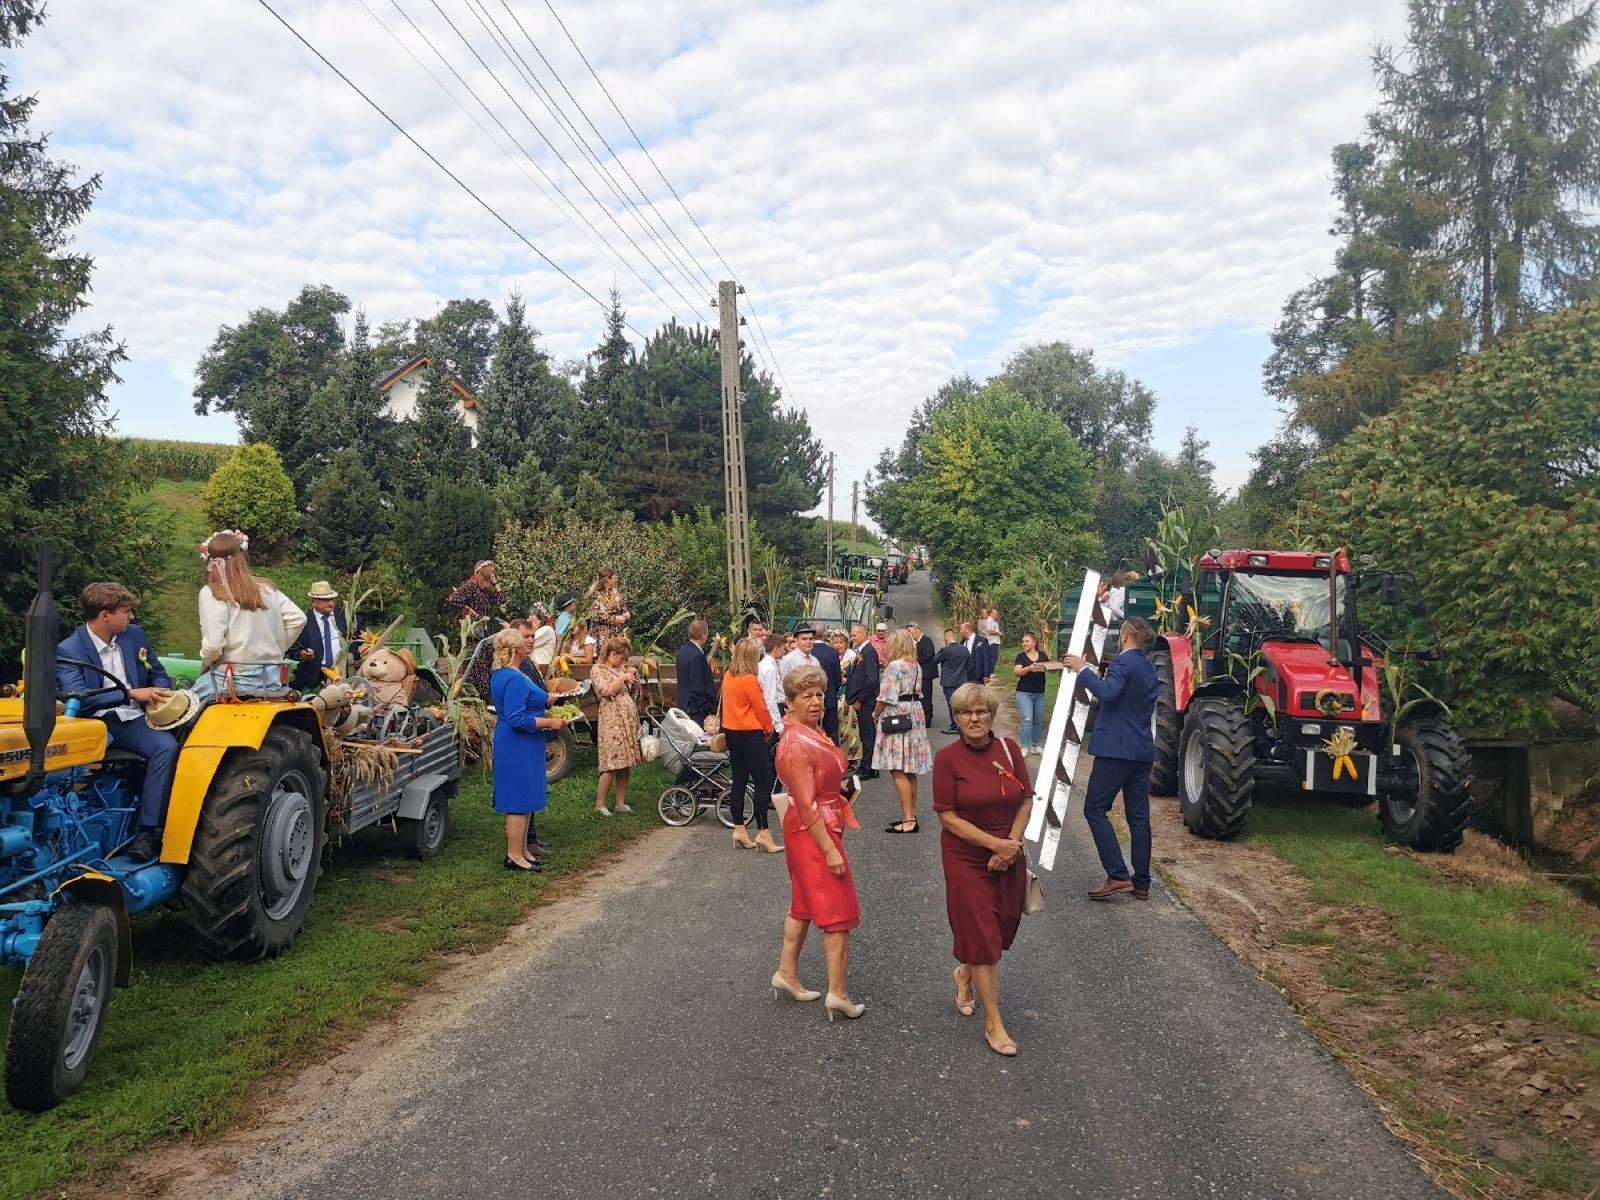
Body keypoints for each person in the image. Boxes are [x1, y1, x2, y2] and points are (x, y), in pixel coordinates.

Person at [933, 681, 1032, 1057]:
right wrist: (993, 845)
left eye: (981, 711)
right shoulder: (947, 759)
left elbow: (1025, 800)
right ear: (956, 718)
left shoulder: (1008, 750)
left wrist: (1011, 845)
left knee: (1003, 925)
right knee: (985, 939)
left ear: (991, 714)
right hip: (966, 857)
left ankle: (965, 972)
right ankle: (994, 1023)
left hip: (1009, 850)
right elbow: (948, 818)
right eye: (965, 712)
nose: (974, 718)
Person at [57, 582, 179, 863]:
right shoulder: (69, 649)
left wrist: (159, 692)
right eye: (127, 612)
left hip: (136, 718)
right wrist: (130, 694)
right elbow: (81, 698)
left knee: (166, 747)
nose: (132, 617)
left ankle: (148, 832)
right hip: (100, 722)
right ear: (105, 616)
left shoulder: (133, 636)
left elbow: (157, 672)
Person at [771, 665, 864, 1022]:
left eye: (818, 694)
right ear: (790, 703)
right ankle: (837, 993)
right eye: (805, 696)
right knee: (838, 913)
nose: (815, 701)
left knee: (803, 904)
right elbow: (807, 806)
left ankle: (786, 972)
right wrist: (828, 850)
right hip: (814, 831)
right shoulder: (795, 743)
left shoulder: (809, 732)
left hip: (815, 825)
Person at [1064, 616, 1159, 901]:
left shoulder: (1122, 662)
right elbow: (1122, 699)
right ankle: (1141, 882)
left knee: (1094, 808)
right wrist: (1100, 697)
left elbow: (1110, 690)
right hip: (1141, 750)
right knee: (1138, 817)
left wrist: (1083, 670)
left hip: (1116, 750)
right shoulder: (1147, 666)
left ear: (1126, 635)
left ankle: (1117, 875)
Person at [192, 531, 304, 704]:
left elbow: (213, 646)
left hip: (231, 680)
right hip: (271, 680)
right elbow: (298, 618)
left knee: (182, 712)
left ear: (210, 561)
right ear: (242, 558)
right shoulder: (267, 588)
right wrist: (274, 650)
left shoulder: (212, 592)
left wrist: (205, 665)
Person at [489, 628, 567, 871]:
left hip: (525, 742)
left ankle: (523, 850)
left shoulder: (509, 673)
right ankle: (514, 855)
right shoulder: (511, 678)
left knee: (526, 797)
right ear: (514, 650)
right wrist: (550, 722)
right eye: (524, 641)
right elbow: (516, 719)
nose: (529, 643)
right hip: (516, 743)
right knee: (517, 799)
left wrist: (544, 708)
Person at [721, 637, 779, 853]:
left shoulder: (729, 676)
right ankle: (763, 832)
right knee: (763, 783)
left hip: (731, 732)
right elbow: (761, 708)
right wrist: (769, 728)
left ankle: (739, 829)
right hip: (750, 734)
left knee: (739, 780)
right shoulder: (749, 679)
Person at [874, 629, 932, 833]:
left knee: (897, 768)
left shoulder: (894, 666)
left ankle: (908, 820)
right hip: (914, 714)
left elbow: (886, 696)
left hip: (897, 714)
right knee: (910, 769)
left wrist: (875, 715)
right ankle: (911, 814)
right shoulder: (915, 665)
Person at [591, 636, 643, 816]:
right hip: (611, 719)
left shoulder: (620, 668)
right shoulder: (598, 669)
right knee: (612, 762)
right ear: (612, 654)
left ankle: (620, 803)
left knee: (625, 762)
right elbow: (605, 691)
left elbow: (635, 689)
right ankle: (600, 804)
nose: (623, 661)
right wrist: (622, 677)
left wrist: (634, 678)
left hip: (626, 719)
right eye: (622, 658)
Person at [288, 580, 347, 691]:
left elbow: (360, 637)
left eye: (332, 599)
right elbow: (294, 648)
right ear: (313, 601)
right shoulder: (303, 621)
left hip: (344, 671)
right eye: (325, 600)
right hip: (316, 674)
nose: (330, 603)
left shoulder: (345, 616)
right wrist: (303, 654)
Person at [843, 624, 880, 780]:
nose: (852, 638)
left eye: (854, 635)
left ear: (864, 634)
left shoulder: (868, 652)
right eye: (851, 635)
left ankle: (867, 767)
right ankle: (870, 766)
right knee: (866, 733)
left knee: (867, 734)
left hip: (865, 701)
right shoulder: (862, 652)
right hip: (861, 700)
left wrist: (860, 699)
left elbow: (871, 680)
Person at [1012, 631, 1051, 756]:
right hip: (1024, 693)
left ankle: (1035, 745)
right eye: (1023, 642)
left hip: (1040, 693)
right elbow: (1017, 672)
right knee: (1027, 720)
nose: (1024, 643)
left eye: (1027, 641)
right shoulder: (1021, 657)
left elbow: (1051, 669)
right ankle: (1024, 747)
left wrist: (1056, 666)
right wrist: (1029, 668)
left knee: (1038, 721)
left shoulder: (1042, 655)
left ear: (1034, 642)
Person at [675, 619, 717, 727]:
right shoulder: (696, 656)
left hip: (684, 705)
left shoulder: (681, 652)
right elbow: (698, 686)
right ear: (704, 635)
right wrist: (705, 709)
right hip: (695, 710)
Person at [448, 560, 505, 636]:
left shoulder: (485, 590)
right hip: (472, 628)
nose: (492, 575)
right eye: (490, 572)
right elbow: (452, 599)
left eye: (493, 572)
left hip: (484, 627)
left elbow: (502, 599)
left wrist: (495, 583)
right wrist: (467, 609)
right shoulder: (470, 586)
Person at [933, 629, 972, 733]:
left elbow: (935, 660)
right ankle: (963, 725)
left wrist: (942, 649)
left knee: (952, 704)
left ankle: (955, 726)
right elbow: (969, 666)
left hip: (949, 682)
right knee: (962, 704)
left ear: (946, 638)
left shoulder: (946, 650)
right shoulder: (964, 649)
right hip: (962, 681)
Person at [811, 627, 843, 744]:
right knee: (832, 733)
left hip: (810, 701)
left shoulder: (810, 652)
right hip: (830, 697)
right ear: (825, 634)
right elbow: (837, 678)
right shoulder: (832, 652)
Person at [585, 566, 630, 642]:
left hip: (616, 634)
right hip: (600, 634)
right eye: (614, 578)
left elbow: (623, 608)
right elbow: (594, 616)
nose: (617, 580)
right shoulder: (594, 596)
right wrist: (614, 619)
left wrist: (626, 614)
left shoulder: (616, 593)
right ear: (607, 579)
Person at [909, 621, 937, 726]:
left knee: (926, 696)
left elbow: (928, 655)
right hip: (921, 674)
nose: (912, 636)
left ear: (916, 632)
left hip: (927, 674)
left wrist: (915, 660)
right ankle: (923, 717)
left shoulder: (926, 640)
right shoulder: (919, 642)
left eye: (912, 634)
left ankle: (927, 719)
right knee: (922, 696)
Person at [759, 633, 786, 737]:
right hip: (772, 712)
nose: (785, 651)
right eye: (783, 648)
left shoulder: (767, 664)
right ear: (776, 649)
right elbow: (770, 698)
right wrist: (778, 725)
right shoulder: (769, 668)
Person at [527, 602, 557, 674]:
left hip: (541, 668)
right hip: (534, 667)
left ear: (540, 618)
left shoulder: (546, 629)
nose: (529, 618)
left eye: (532, 615)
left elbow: (525, 642)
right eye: (529, 615)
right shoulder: (541, 630)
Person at [978, 607, 1003, 684]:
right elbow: (988, 631)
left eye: (996, 613)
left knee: (993, 657)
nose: (996, 614)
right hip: (992, 641)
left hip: (994, 641)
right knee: (993, 657)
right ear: (991, 613)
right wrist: (998, 633)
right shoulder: (990, 621)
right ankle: (989, 673)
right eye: (995, 613)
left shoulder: (992, 620)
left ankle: (989, 672)